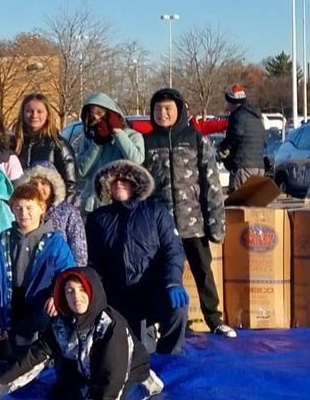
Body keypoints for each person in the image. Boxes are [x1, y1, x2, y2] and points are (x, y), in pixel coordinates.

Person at [0, 268, 160, 400]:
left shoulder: (110, 326)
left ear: (93, 292)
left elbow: (112, 377)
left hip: (125, 377)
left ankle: (147, 382)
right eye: (70, 291)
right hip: (85, 375)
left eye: (82, 290)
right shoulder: (61, 326)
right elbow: (31, 359)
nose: (76, 296)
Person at [141, 88, 233, 339]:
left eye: (168, 109)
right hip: (160, 225)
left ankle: (214, 319)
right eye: (158, 109)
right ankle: (158, 323)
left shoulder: (194, 139)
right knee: (159, 274)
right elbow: (141, 185)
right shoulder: (146, 143)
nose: (163, 114)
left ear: (179, 110)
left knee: (202, 270)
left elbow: (211, 183)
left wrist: (216, 223)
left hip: (192, 222)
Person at [87, 160, 191, 354]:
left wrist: (172, 282)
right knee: (135, 354)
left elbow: (173, 250)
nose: (119, 184)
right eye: (114, 181)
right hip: (117, 298)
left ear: (136, 185)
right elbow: (93, 262)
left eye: (124, 180)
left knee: (178, 307)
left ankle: (171, 357)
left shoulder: (156, 212)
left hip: (151, 290)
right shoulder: (98, 218)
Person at [0, 184, 76, 356]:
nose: (23, 213)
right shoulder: (0, 242)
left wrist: (57, 296)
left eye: (29, 207)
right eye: (18, 208)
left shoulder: (55, 243)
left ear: (42, 208)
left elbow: (69, 276)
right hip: (10, 310)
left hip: (42, 312)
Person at [74, 93, 144, 212]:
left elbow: (136, 161)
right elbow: (81, 171)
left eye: (100, 115)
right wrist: (97, 144)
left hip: (121, 203)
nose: (97, 120)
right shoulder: (89, 139)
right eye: (92, 116)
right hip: (93, 205)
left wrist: (117, 133)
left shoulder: (132, 136)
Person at [15, 162, 88, 266]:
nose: (39, 188)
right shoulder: (22, 211)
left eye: (44, 183)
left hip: (61, 271)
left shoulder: (68, 211)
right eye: (34, 184)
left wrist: (73, 276)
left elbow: (79, 252)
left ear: (53, 186)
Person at [11, 94, 76, 203]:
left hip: (49, 210)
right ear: (22, 113)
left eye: (39, 111)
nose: (34, 115)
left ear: (47, 114)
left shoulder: (58, 145)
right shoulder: (13, 144)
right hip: (20, 210)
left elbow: (71, 185)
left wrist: (61, 212)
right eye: (29, 111)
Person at [219, 84, 266, 192]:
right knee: (254, 202)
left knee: (238, 203)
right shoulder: (256, 116)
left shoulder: (237, 116)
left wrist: (223, 147)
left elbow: (235, 135)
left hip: (243, 166)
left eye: (229, 102)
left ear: (234, 102)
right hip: (259, 166)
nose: (227, 105)